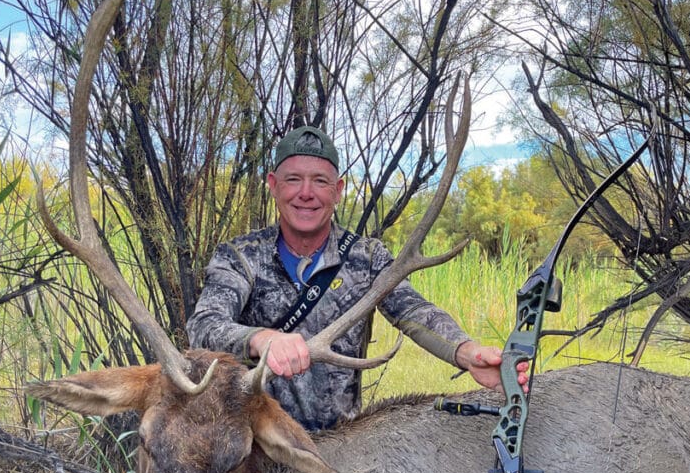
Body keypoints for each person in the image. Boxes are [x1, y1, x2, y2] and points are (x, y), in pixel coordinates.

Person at [187, 125, 524, 431]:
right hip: (254, 446)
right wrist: (261, 338)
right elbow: (203, 327)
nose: (306, 193)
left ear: (338, 190)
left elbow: (415, 312)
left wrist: (466, 353)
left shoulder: (367, 258)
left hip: (340, 447)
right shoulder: (239, 256)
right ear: (274, 185)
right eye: (293, 180)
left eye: (320, 181)